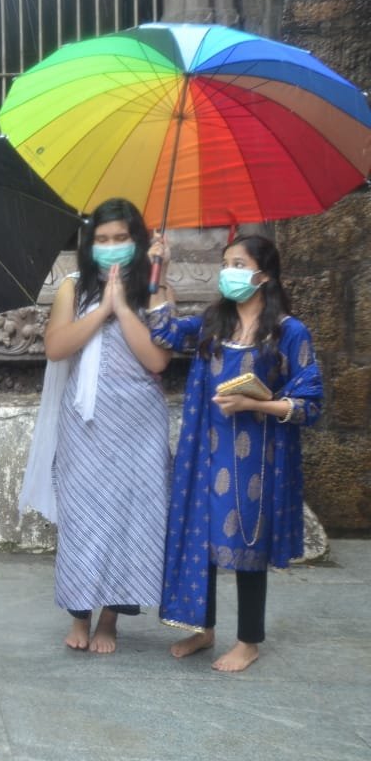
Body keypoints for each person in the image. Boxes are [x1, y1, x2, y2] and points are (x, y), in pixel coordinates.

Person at [147, 233, 322, 672]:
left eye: (238, 264)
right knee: (200, 538)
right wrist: (159, 271)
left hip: (256, 459)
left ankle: (248, 641)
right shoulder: (214, 324)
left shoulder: (288, 331)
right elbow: (165, 332)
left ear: (263, 275)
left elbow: (310, 401)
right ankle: (202, 630)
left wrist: (255, 404)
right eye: (226, 263)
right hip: (205, 452)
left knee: (248, 545)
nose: (230, 272)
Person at [20, 198, 171, 654]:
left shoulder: (156, 288)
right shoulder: (72, 287)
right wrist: (100, 309)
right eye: (102, 239)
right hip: (85, 426)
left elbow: (157, 360)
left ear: (136, 240)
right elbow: (56, 346)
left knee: (132, 521)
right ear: (89, 244)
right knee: (83, 519)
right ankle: (79, 615)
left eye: (120, 238)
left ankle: (111, 621)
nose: (110, 247)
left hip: (139, 425)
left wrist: (123, 307)